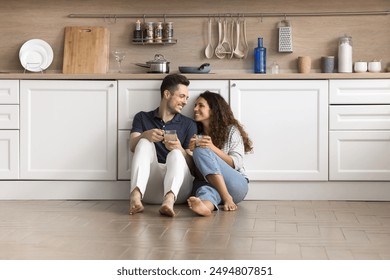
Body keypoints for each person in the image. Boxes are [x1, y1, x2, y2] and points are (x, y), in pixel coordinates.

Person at [129, 74, 197, 217]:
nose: (185, 102)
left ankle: (168, 201)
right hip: (148, 190)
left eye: (186, 98)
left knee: (176, 154)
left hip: (179, 192)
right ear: (167, 94)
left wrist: (179, 148)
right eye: (181, 96)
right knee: (143, 142)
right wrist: (144, 135)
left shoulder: (189, 124)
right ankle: (135, 197)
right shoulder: (142, 117)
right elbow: (132, 146)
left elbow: (192, 167)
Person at [187, 91, 253, 216]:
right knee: (205, 190)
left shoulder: (231, 130)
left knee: (201, 148)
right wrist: (189, 152)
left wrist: (211, 147)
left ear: (213, 109)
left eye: (201, 105)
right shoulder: (195, 132)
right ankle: (205, 207)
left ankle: (226, 197)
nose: (195, 108)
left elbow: (236, 163)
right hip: (212, 185)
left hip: (236, 185)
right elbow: (193, 171)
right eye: (195, 105)